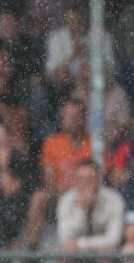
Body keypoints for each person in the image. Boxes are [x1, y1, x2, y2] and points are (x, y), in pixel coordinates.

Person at [26, 99, 92, 249]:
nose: (71, 120)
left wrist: (78, 192)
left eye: (75, 116)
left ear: (84, 118)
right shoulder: (52, 143)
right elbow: (48, 178)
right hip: (59, 195)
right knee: (38, 198)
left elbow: (98, 178)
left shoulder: (94, 144)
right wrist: (58, 190)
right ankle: (32, 249)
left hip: (85, 195)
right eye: (68, 116)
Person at [57, 160, 124, 257]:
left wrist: (80, 244)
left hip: (103, 252)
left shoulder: (114, 199)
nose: (84, 184)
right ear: (75, 181)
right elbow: (65, 238)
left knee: (107, 251)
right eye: (80, 179)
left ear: (98, 180)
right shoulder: (66, 200)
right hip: (77, 254)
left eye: (89, 179)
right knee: (66, 252)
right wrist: (82, 209)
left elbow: (114, 238)